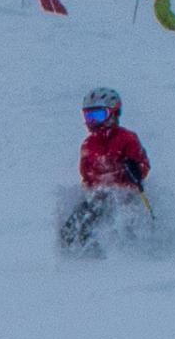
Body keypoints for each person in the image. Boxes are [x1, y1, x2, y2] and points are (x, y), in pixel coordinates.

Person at [58, 87, 151, 251]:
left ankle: (133, 248)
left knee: (121, 217)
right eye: (89, 116)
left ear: (113, 113)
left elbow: (142, 165)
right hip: (100, 196)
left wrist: (134, 169)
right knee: (77, 223)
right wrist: (90, 189)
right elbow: (86, 174)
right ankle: (78, 250)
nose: (93, 121)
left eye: (98, 115)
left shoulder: (127, 138)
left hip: (125, 195)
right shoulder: (88, 144)